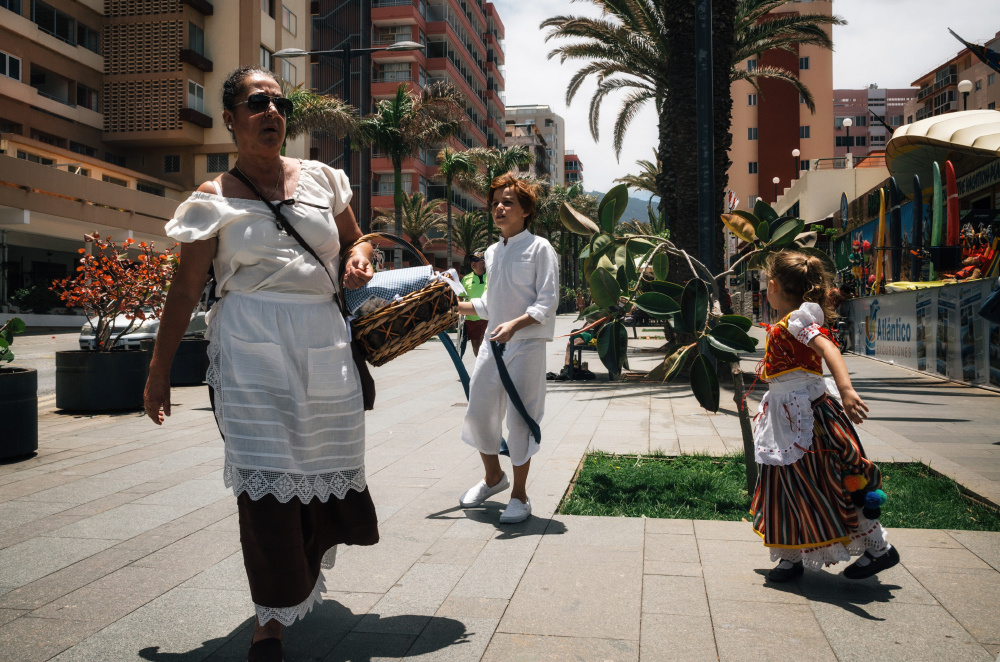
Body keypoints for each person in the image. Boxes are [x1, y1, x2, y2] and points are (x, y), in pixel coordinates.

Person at [143, 66, 379, 662]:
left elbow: (358, 239)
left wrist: (360, 259)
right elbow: (185, 289)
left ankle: (297, 577)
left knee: (318, 467)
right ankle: (269, 618)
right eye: (256, 102)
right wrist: (159, 370)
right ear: (230, 118)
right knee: (264, 479)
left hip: (323, 347)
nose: (271, 111)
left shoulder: (322, 179)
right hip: (248, 351)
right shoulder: (213, 198)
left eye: (279, 102)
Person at [751, 250, 900, 583]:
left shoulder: (796, 321)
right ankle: (791, 555)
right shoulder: (789, 322)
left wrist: (846, 389)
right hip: (787, 421)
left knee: (822, 482)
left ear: (773, 285)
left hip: (808, 422)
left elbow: (828, 348)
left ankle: (879, 547)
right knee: (786, 484)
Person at [455, 173, 559, 524]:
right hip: (492, 346)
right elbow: (488, 304)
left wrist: (516, 324)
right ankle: (493, 478)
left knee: (519, 420)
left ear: (526, 210)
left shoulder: (540, 248)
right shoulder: (491, 252)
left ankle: (520, 495)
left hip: (526, 346)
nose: (499, 208)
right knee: (478, 412)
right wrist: (453, 307)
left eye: (508, 202)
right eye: (495, 202)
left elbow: (547, 301)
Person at [460, 252, 488, 356]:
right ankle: (480, 364)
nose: (473, 262)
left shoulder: (492, 276)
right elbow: (460, 296)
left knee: (485, 345)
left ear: (483, 262)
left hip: (487, 317)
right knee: (476, 346)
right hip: (471, 318)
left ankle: (486, 365)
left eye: (476, 260)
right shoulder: (466, 279)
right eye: (472, 260)